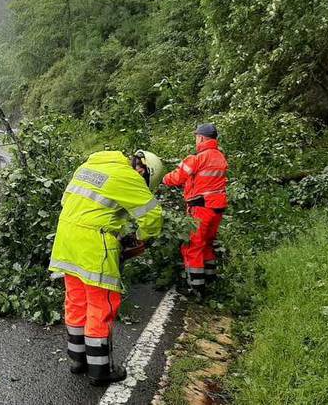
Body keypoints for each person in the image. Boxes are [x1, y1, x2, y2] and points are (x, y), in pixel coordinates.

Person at [49, 150, 165, 386]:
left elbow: (69, 203)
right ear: (143, 170)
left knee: (76, 301)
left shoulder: (88, 167)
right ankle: (100, 370)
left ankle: (78, 360)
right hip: (93, 247)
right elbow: (152, 216)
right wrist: (142, 237)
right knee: (101, 305)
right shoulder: (127, 175)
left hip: (66, 241)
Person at [163, 123, 228, 296]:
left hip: (200, 208)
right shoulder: (220, 157)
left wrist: (164, 179)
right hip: (217, 209)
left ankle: (196, 289)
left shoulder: (197, 158)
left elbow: (177, 177)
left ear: (201, 138)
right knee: (207, 245)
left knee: (193, 246)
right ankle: (211, 283)